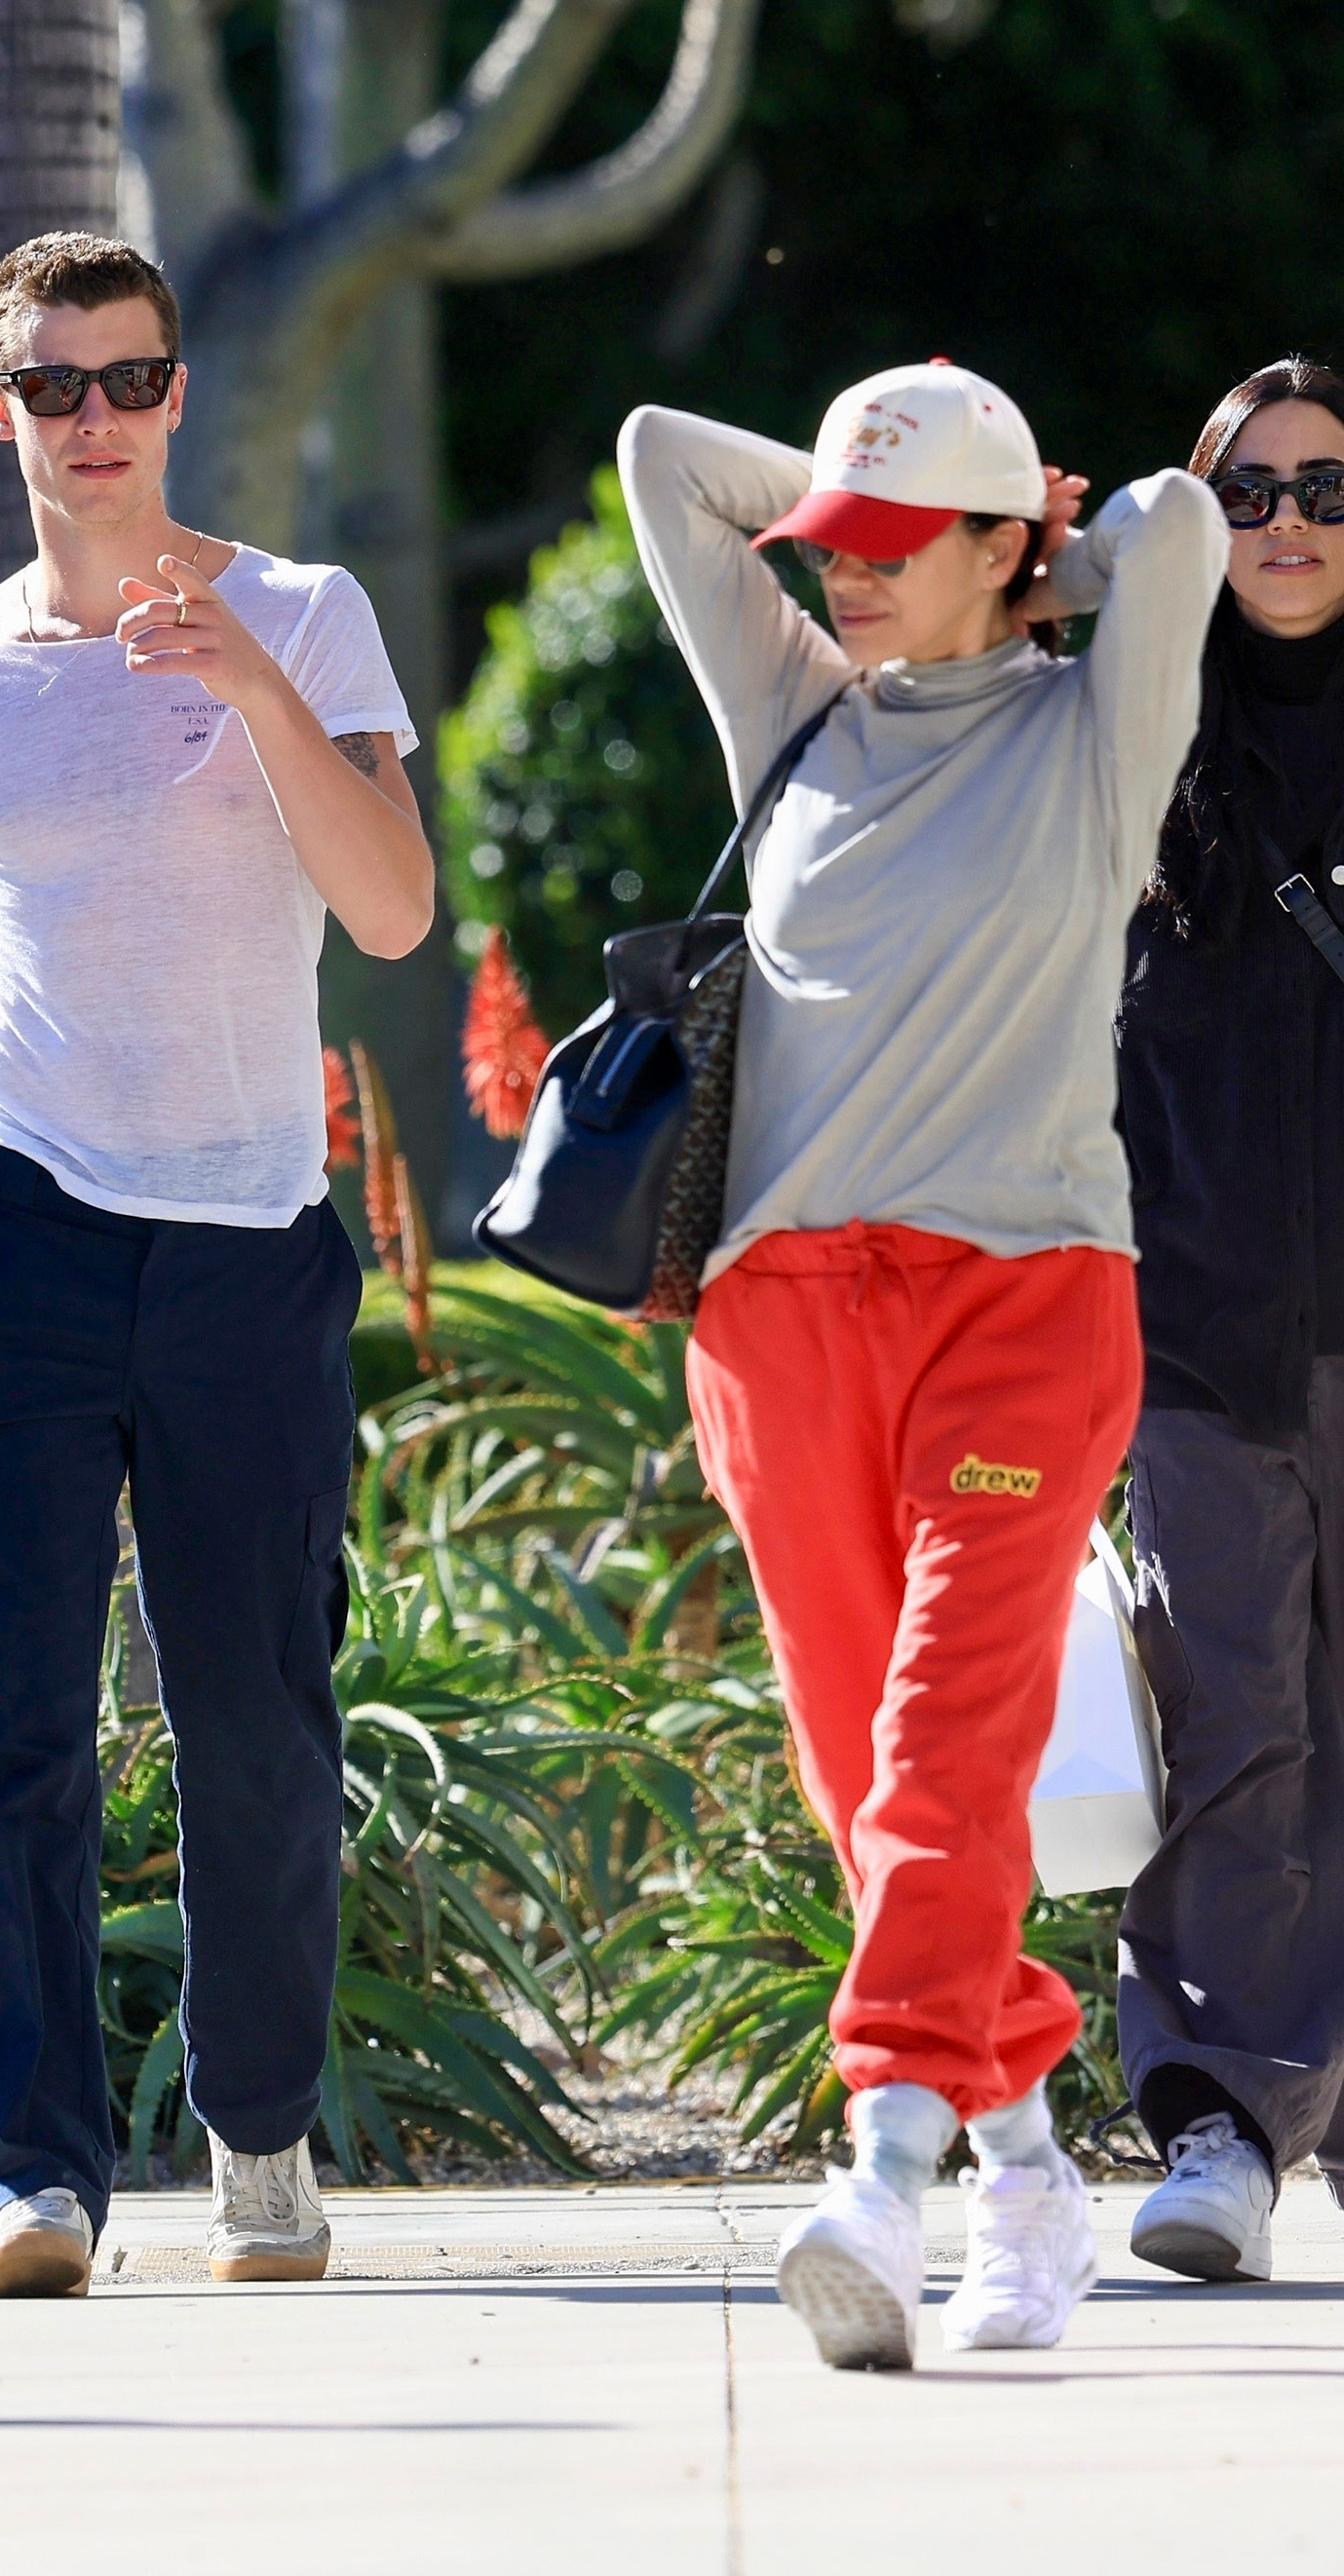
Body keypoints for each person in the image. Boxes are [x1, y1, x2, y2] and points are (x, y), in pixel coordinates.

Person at [0, 232, 432, 2298]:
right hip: (21, 1226)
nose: (94, 419)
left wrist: (247, 682)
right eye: (52, 386)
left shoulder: (310, 618)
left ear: (176, 397)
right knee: (18, 1723)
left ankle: (257, 2133)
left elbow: (400, 910)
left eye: (128, 380)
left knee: (257, 1716)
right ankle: (38, 2168)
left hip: (251, 1238)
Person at [618, 360, 1227, 2369]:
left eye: (902, 549)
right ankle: (1030, 2162)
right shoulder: (795, 714)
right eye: (836, 554)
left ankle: (882, 2163)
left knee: (955, 1731)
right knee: (870, 1771)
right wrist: (881, 483)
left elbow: (1183, 521)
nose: (850, 574)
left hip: (1026, 1296)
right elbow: (662, 461)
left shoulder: (1094, 727)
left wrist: (1030, 536)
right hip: (778, 1308)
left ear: (1006, 555)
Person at [1115, 357, 1344, 2285]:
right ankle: (1221, 2125)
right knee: (1236, 1725)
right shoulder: (1131, 734)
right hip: (1196, 1320)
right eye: (1246, 494)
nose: (1289, 523)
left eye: (1327, 490)